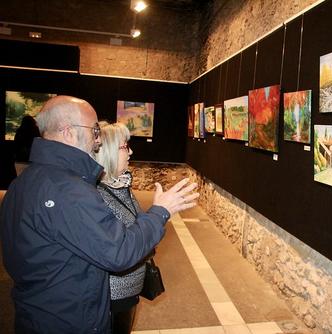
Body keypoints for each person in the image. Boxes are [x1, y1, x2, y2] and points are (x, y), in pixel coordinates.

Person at [0, 95, 198, 334]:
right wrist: (160, 212)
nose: (97, 139)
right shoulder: (69, 192)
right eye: (94, 130)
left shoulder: (25, 182)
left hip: (38, 309)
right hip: (69, 319)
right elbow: (119, 251)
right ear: (68, 132)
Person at [93, 121, 146, 334]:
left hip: (131, 288)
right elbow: (116, 247)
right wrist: (160, 212)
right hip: (114, 294)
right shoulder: (97, 195)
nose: (131, 151)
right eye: (125, 147)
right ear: (107, 152)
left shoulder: (122, 184)